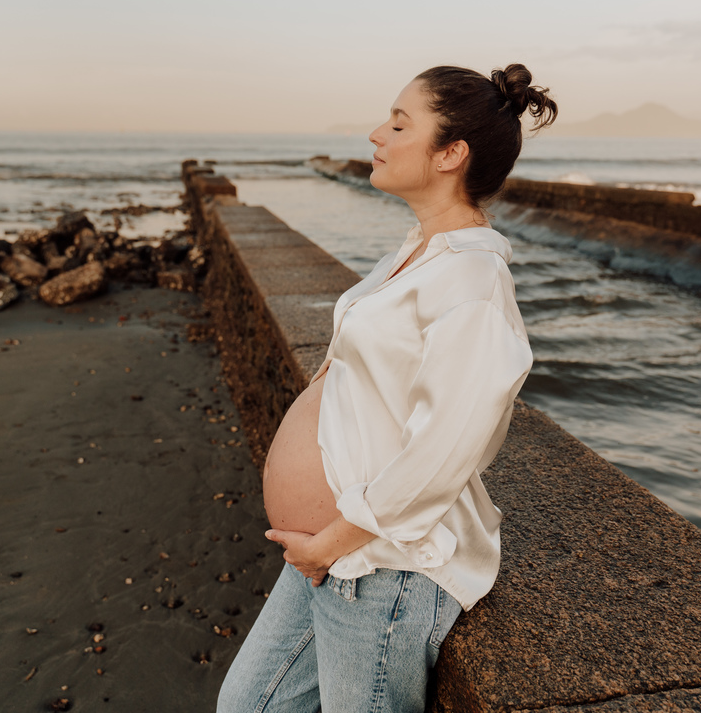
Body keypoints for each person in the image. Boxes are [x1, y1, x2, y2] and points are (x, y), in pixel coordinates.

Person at [216, 64, 557, 713]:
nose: (378, 132)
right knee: (248, 705)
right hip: (337, 550)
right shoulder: (417, 250)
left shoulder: (473, 283)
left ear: (450, 154)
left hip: (383, 564)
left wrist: (333, 540)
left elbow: (448, 446)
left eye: (400, 124)